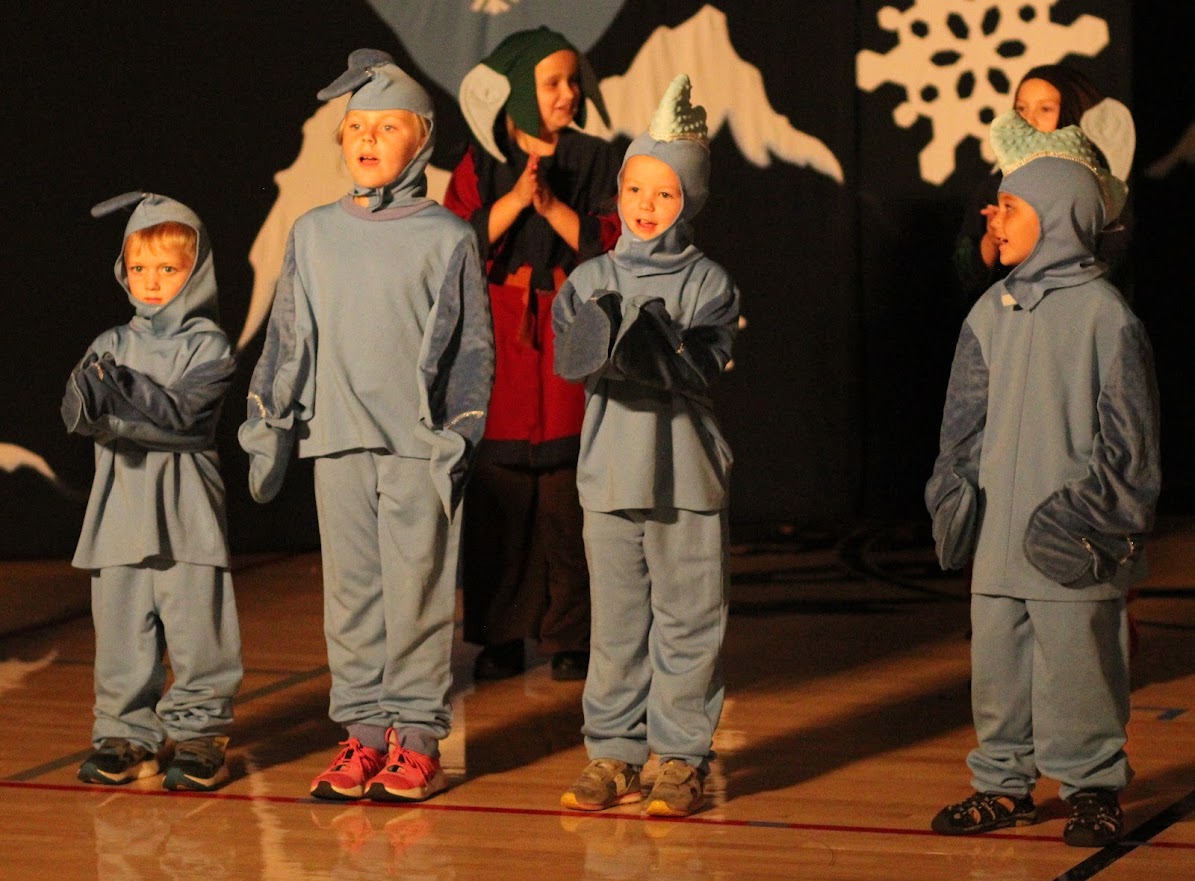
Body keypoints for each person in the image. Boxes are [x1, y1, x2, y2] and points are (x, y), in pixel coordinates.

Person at [239, 50, 493, 802]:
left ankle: (414, 740)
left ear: (421, 140)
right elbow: (287, 336)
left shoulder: (446, 237)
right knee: (351, 598)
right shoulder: (314, 233)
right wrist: (268, 424)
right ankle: (360, 735)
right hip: (337, 440)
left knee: (416, 592)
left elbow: (471, 350)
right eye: (356, 128)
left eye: (387, 127)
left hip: (417, 447)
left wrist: (458, 435)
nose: (368, 139)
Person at [926, 109, 1159, 847]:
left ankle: (1091, 784)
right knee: (997, 667)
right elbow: (960, 423)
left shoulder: (1104, 317)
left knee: (1079, 667)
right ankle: (1002, 782)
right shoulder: (988, 314)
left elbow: (1130, 443)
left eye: (1013, 206)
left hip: (1071, 543)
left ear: (1059, 216)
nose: (995, 215)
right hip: (999, 540)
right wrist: (953, 496)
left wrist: (1090, 519)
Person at [552, 74, 739, 818]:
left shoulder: (709, 281)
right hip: (607, 477)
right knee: (617, 624)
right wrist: (599, 340)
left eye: (663, 194)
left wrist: (660, 351)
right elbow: (574, 358)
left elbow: (702, 366)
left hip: (685, 478)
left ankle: (682, 757)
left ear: (687, 201)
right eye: (634, 189)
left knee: (689, 623)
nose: (644, 206)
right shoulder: (590, 276)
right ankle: (614, 752)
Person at [445, 27, 623, 682]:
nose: (568, 93)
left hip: (567, 330)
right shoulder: (480, 160)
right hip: (499, 338)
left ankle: (569, 633)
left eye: (573, 81)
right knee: (499, 495)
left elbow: (610, 245)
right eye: (552, 82)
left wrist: (548, 207)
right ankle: (498, 633)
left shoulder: (597, 159)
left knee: (563, 496)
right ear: (521, 90)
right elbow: (455, 242)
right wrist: (515, 200)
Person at [63, 191, 243, 792]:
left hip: (189, 512)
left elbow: (187, 418)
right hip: (119, 511)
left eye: (168, 269)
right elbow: (78, 412)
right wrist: (110, 404)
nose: (151, 281)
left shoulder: (209, 345)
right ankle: (124, 736)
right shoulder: (108, 341)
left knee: (198, 631)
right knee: (121, 632)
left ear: (196, 270)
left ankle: (199, 738)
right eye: (139, 268)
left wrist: (117, 396)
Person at [953, 65, 1131, 307]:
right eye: (1021, 109)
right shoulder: (996, 186)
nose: (1029, 120)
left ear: (1072, 111)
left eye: (1045, 109)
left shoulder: (1096, 189)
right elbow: (965, 275)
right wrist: (994, 237)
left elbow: (1111, 264)